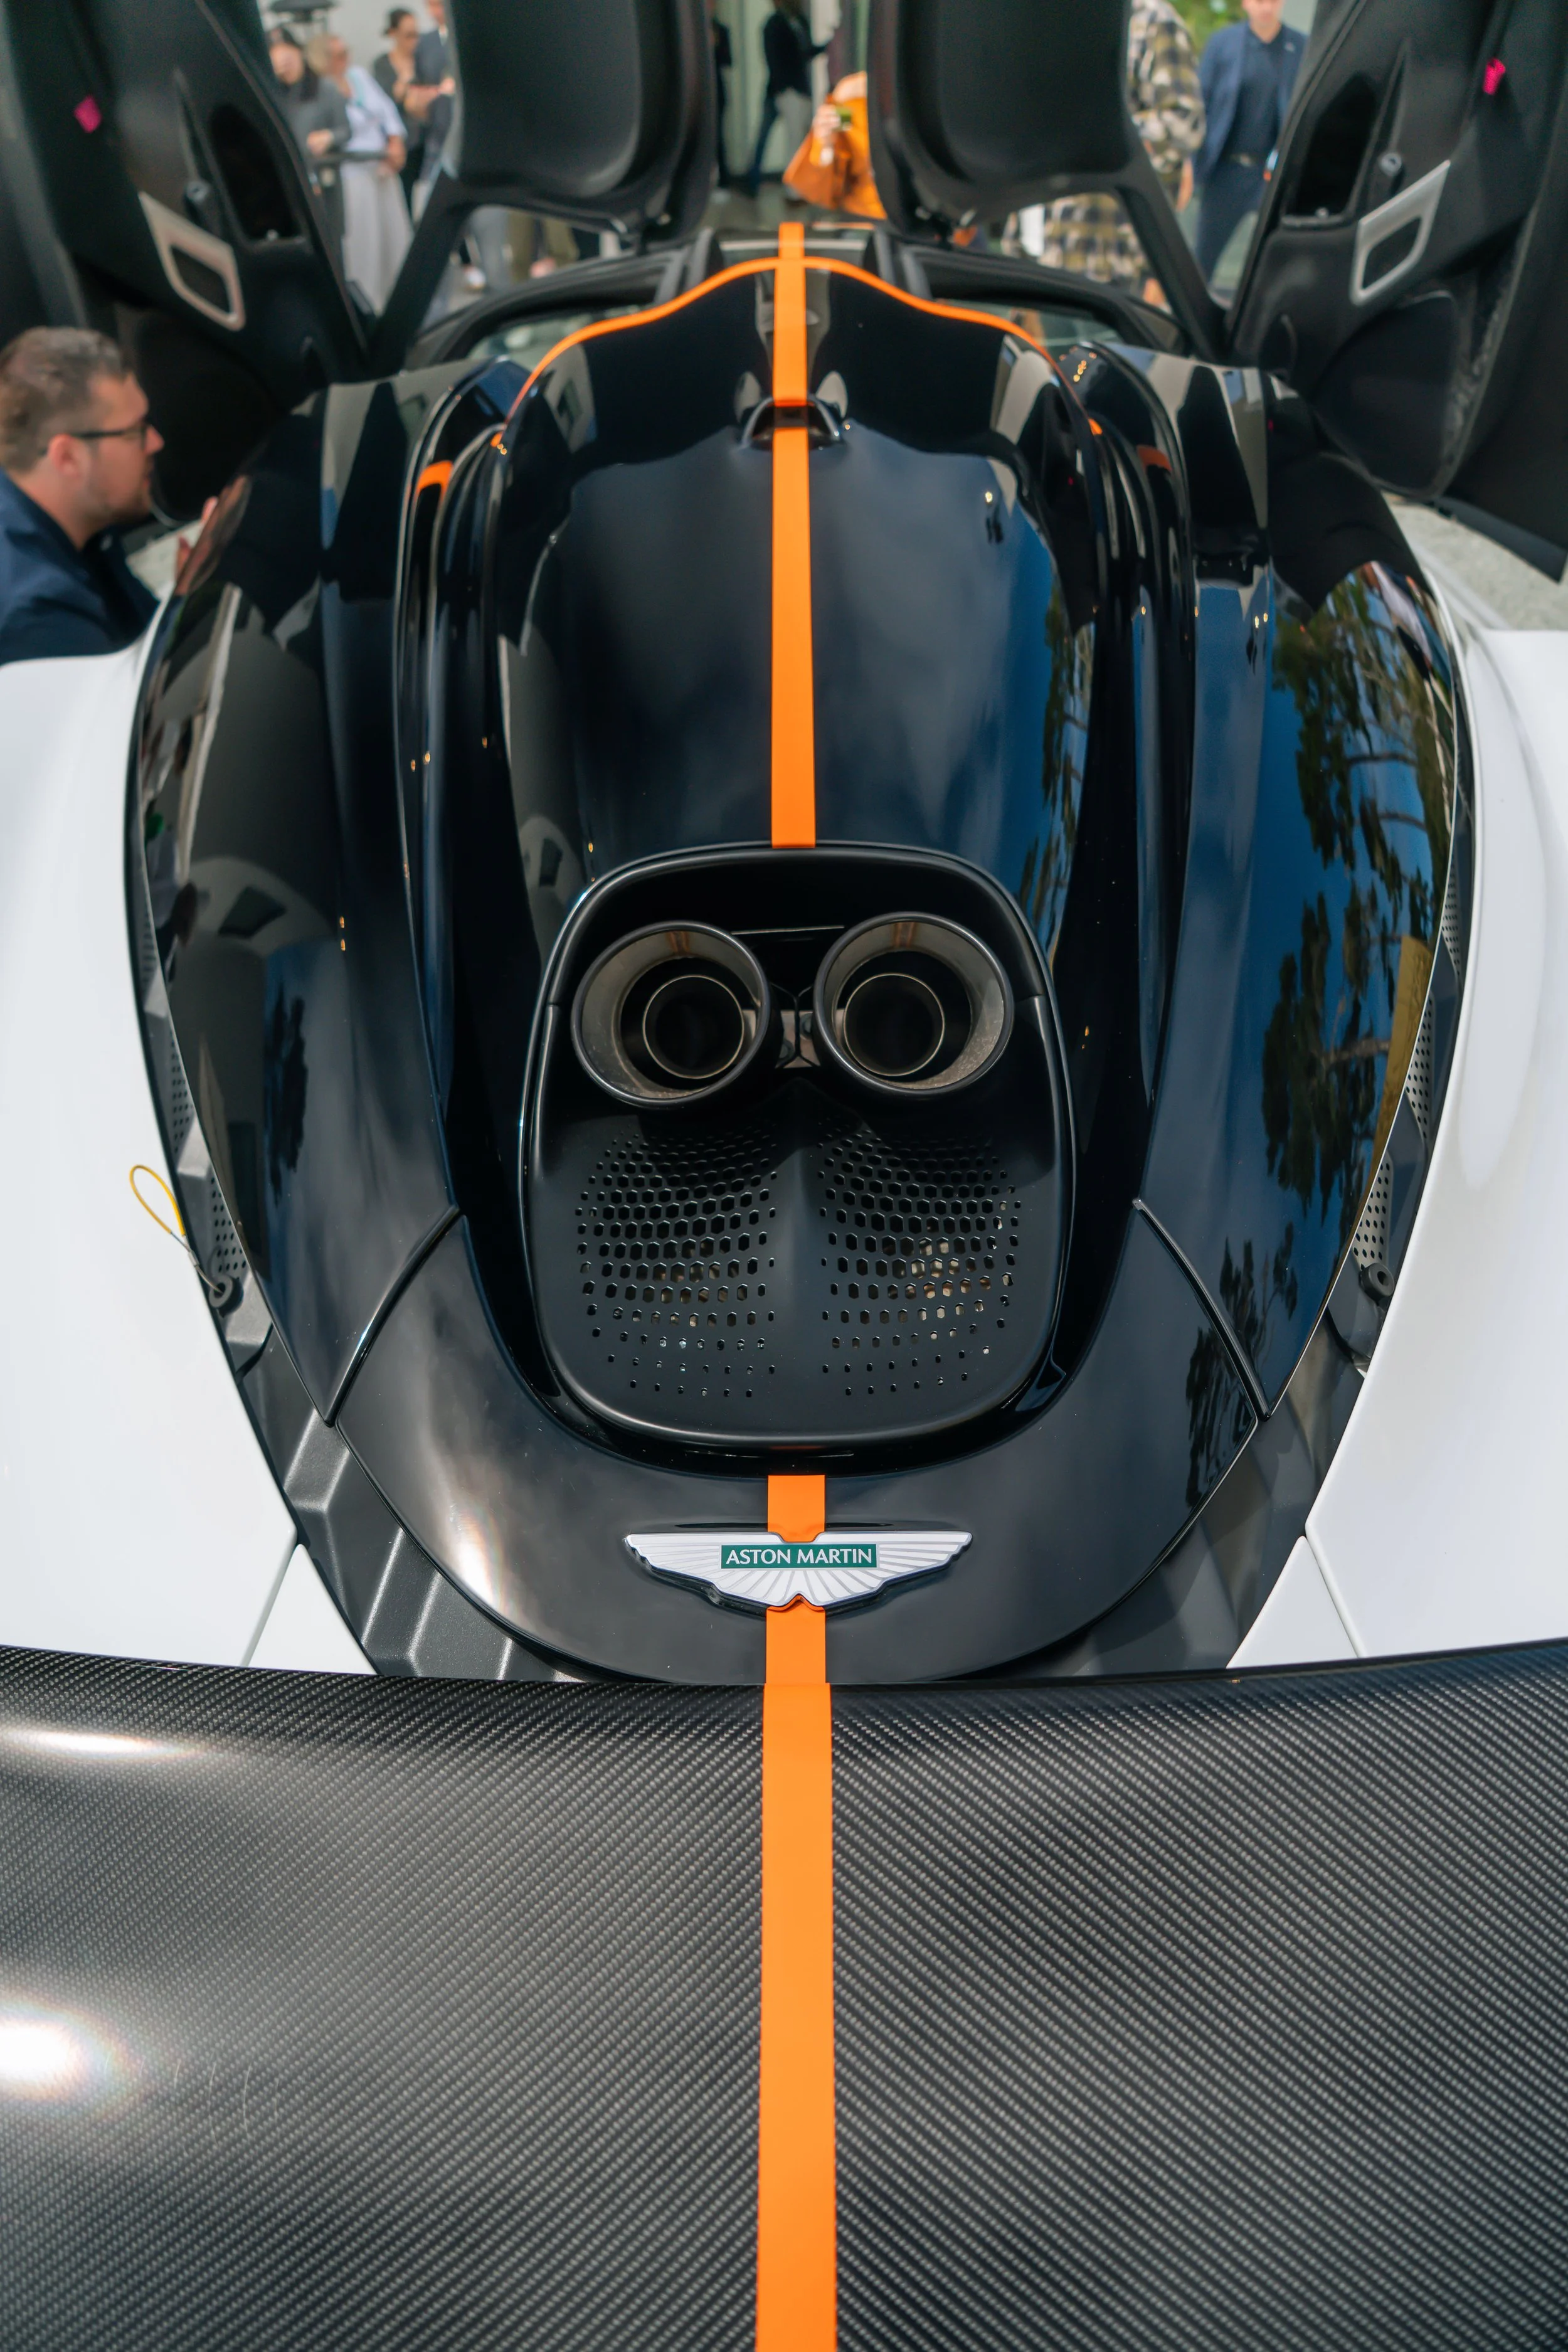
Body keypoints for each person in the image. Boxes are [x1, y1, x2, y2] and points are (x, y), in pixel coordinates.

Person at [0, 329, 162, 666]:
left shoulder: (82, 511)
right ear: (68, 457)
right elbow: (133, 707)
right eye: (135, 432)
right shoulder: (40, 616)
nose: (155, 442)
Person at [1033, 0, 1204, 294]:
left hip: (1115, 255)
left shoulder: (1154, 22)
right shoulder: (1068, 22)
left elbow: (1183, 122)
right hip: (1055, 249)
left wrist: (1102, 133)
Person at [1195, 0, 1306, 280]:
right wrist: (1190, 162)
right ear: (1245, 3)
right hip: (1226, 172)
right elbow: (1200, 105)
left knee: (1279, 262)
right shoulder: (1223, 44)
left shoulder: (1300, 47)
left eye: (1273, 1)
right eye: (1259, 1)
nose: (1266, 8)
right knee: (1202, 262)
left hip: (1272, 175)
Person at [312, 34, 411, 312]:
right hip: (352, 174)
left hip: (382, 166)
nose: (345, 59)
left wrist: (395, 142)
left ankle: (400, 305)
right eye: (338, 55)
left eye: (347, 52)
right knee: (365, 246)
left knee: (396, 238)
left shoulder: (358, 76)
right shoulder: (323, 90)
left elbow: (387, 111)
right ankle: (371, 308)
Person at [268, 24, 349, 258]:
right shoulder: (274, 93)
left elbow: (346, 130)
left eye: (289, 57)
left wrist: (329, 137)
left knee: (331, 247)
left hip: (324, 182)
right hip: (290, 185)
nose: (285, 66)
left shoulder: (325, 88)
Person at [746, 1, 829, 199]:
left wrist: (825, 46)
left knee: (797, 139)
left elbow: (804, 53)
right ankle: (754, 182)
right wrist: (784, 88)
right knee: (766, 138)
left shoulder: (800, 22)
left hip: (798, 89)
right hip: (782, 90)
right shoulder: (774, 24)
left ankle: (797, 188)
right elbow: (773, 58)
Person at [373, 8, 443, 200]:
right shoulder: (383, 65)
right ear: (394, 34)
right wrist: (405, 80)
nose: (414, 42)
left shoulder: (425, 61)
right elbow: (386, 99)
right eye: (408, 35)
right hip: (403, 142)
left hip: (428, 138)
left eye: (416, 35)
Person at [710, 3, 734, 188]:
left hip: (717, 91)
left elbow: (728, 61)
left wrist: (717, 46)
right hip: (702, 92)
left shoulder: (722, 30)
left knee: (719, 137)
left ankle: (723, 181)